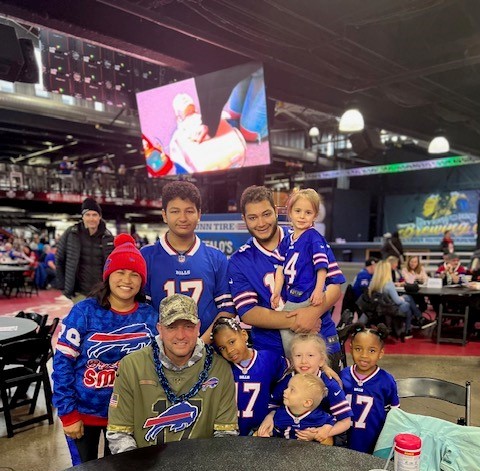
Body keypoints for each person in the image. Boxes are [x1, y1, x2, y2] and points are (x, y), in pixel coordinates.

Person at [52, 234, 159, 466]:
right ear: (108, 275)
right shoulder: (84, 312)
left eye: (134, 274)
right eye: (120, 272)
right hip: (84, 413)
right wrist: (67, 413)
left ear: (142, 280)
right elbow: (61, 364)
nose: (127, 280)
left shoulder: (150, 315)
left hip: (128, 417)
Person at [228, 185, 345, 372]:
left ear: (276, 211)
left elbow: (334, 287)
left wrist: (312, 313)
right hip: (271, 351)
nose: (261, 223)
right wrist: (296, 320)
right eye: (252, 217)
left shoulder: (309, 238)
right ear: (244, 219)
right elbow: (248, 312)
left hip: (319, 341)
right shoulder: (239, 260)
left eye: (266, 214)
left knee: (327, 398)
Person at [106, 294, 238, 452]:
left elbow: (226, 434)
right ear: (160, 329)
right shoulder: (132, 365)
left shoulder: (219, 368)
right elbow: (120, 433)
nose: (181, 335)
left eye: (188, 326)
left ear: (198, 327)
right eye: (171, 326)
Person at [140, 181, 235, 343]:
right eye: (175, 211)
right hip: (159, 348)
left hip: (207, 347)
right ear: (164, 215)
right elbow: (142, 310)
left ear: (199, 214)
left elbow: (227, 309)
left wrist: (201, 343)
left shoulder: (216, 258)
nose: (182, 218)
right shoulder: (146, 256)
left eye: (189, 211)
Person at [258, 333, 352, 444]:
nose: (303, 361)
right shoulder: (287, 380)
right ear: (291, 359)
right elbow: (273, 405)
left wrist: (323, 433)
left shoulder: (329, 384)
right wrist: (269, 418)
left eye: (310, 355)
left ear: (321, 360)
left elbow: (346, 421)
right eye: (298, 356)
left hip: (319, 438)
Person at [270, 189, 328, 355]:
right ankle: (299, 362)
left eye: (308, 212)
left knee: (295, 329)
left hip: (307, 295)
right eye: (298, 211)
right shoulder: (286, 240)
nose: (302, 216)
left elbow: (322, 267)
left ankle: (300, 362)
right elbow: (280, 268)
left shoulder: (313, 238)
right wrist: (276, 291)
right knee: (295, 331)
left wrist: (318, 290)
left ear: (315, 215)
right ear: (290, 213)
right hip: (292, 296)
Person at [211, 316, 288, 436]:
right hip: (230, 433)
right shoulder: (222, 367)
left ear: (244, 335)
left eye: (232, 342)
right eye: (222, 348)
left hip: (261, 432)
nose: (230, 350)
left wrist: (273, 411)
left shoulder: (268, 359)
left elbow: (288, 377)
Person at [340, 323, 399, 454]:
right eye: (358, 349)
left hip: (374, 441)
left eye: (371, 350)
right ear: (351, 349)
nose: (364, 355)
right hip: (344, 441)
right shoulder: (343, 375)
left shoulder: (387, 380)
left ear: (381, 353)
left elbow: (395, 415)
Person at [56, 197, 114, 302]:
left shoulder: (108, 237)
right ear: (82, 217)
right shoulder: (71, 234)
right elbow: (59, 259)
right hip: (79, 292)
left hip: (102, 292)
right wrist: (63, 286)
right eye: (87, 215)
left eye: (94, 215)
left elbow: (113, 264)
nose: (91, 219)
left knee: (100, 318)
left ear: (100, 216)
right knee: (82, 318)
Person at [369, 260, 432, 339]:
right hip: (390, 308)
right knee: (407, 304)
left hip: (380, 307)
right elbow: (397, 301)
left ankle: (414, 323)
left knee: (407, 298)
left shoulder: (373, 282)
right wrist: (402, 298)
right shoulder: (388, 284)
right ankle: (414, 323)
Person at [267, 374, 335, 440]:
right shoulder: (280, 414)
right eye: (287, 387)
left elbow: (333, 420)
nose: (285, 391)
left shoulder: (319, 416)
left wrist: (325, 429)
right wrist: (267, 433)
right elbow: (275, 432)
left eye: (292, 390)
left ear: (307, 402)